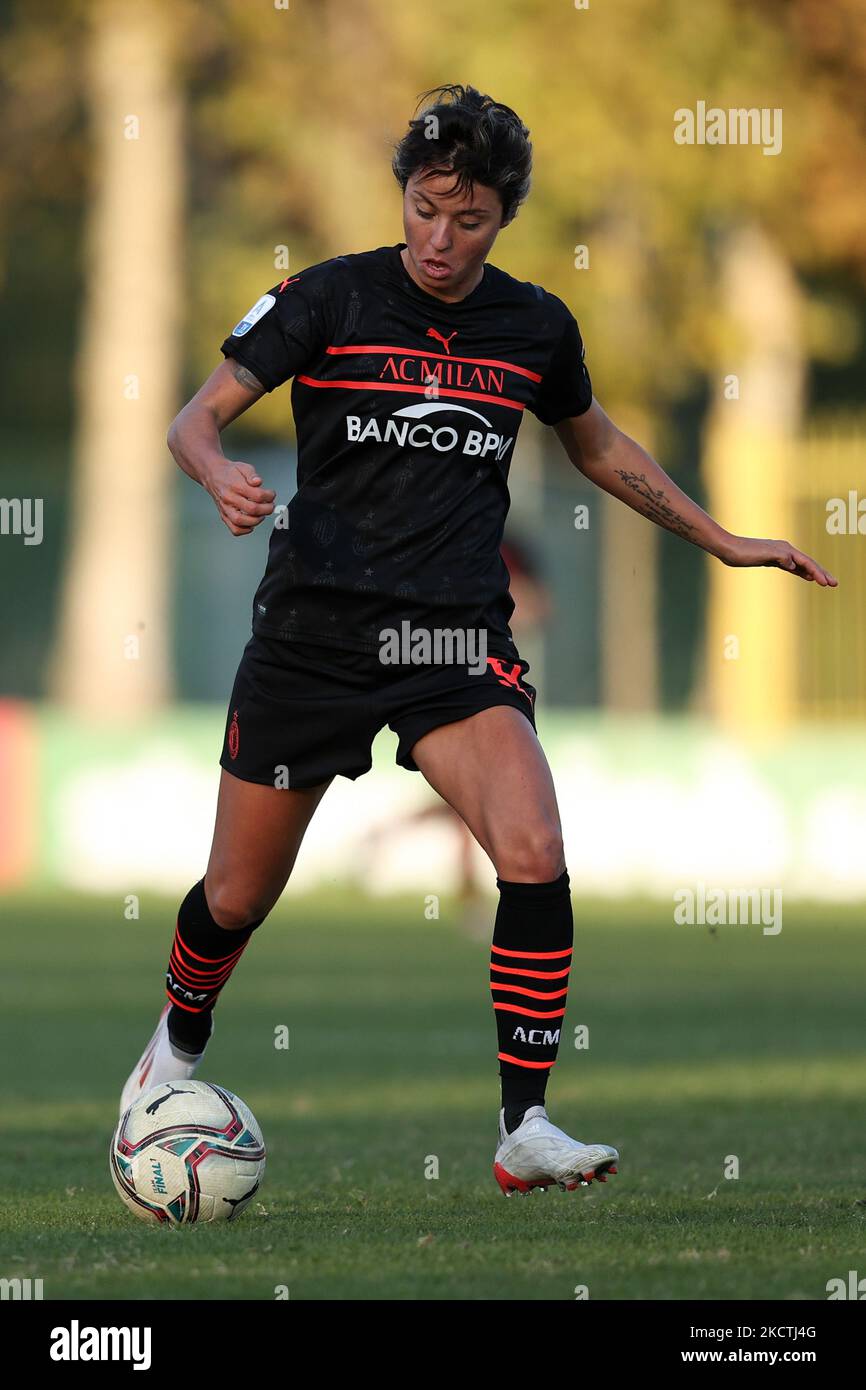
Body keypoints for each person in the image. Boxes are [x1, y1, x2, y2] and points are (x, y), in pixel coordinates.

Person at [119, 84, 836, 1196]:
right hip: (312, 632)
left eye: (468, 220)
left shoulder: (535, 326)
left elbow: (599, 450)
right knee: (235, 896)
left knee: (534, 850)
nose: (440, 239)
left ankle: (523, 1124)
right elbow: (192, 417)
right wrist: (217, 472)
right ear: (401, 195)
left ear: (503, 217)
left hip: (451, 634)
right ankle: (174, 1047)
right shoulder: (325, 297)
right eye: (422, 209)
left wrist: (722, 538)